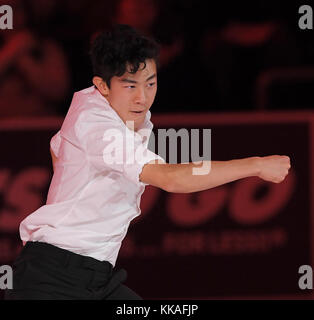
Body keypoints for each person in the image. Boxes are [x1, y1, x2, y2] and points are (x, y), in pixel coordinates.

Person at [4, 24, 291, 300]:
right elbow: (171, 179)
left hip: (97, 276)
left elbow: (56, 145)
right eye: (130, 86)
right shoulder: (100, 127)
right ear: (102, 86)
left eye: (150, 83)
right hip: (52, 278)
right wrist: (256, 164)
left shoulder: (101, 105)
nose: (143, 97)